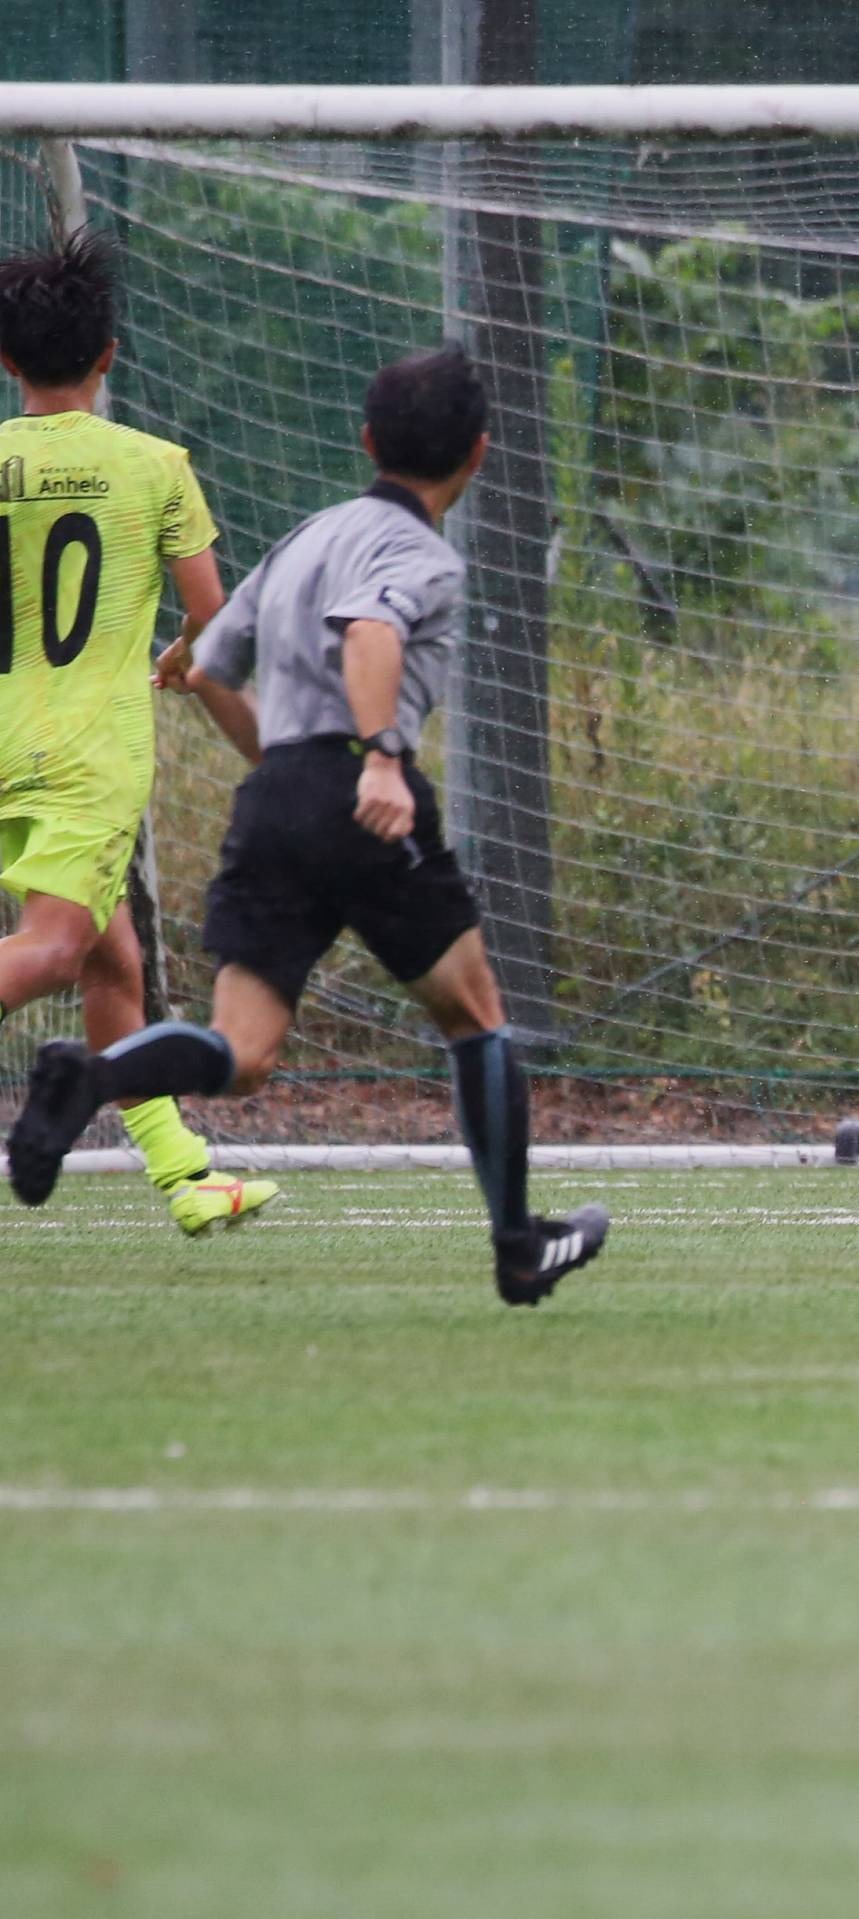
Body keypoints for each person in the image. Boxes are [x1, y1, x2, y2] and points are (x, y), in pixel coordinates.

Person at [7, 346, 611, 1305]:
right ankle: (516, 1246)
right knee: (478, 1014)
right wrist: (376, 755)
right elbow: (371, 629)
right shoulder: (422, 555)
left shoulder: (306, 535)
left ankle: (89, 1077)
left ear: (367, 440)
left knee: (242, 1053)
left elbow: (204, 663)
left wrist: (286, 777)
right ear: (480, 455)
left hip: (278, 796)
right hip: (362, 791)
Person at [0, 228, 278, 1233]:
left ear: (5, 359)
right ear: (110, 354)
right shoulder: (155, 467)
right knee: (52, 948)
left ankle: (183, 1175)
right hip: (84, 752)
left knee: (114, 957)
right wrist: (183, 657)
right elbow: (218, 622)